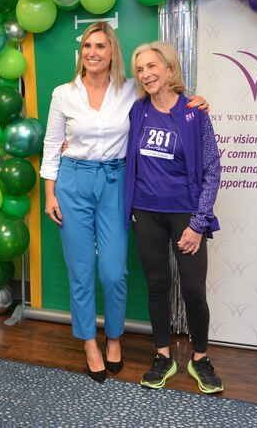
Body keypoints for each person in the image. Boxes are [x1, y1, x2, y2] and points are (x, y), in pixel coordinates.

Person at [40, 22, 207, 382]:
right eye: (87, 46)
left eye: (100, 45)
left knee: (114, 272)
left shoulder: (132, 90)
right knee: (81, 271)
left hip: (116, 184)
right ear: (80, 52)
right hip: (73, 183)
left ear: (112, 51)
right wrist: (50, 192)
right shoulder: (62, 94)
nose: (92, 52)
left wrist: (197, 100)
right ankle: (89, 342)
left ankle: (114, 337)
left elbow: (169, 99)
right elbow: (52, 145)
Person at [125, 42, 223, 394]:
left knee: (194, 290)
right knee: (157, 286)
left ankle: (200, 358)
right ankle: (163, 355)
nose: (146, 74)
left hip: (185, 214)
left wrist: (198, 224)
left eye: (152, 66)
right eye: (139, 69)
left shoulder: (194, 113)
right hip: (146, 213)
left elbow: (212, 169)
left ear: (169, 69)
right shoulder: (137, 112)